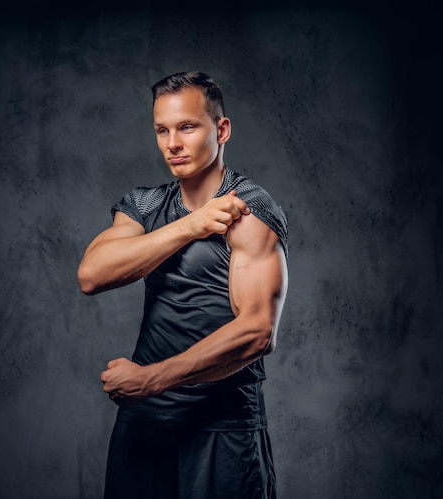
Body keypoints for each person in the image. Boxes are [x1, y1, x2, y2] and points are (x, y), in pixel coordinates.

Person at [77, 71, 288, 499]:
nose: (172, 144)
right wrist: (190, 226)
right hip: (145, 428)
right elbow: (91, 275)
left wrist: (152, 380)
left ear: (221, 129)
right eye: (162, 130)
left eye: (187, 127)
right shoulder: (146, 205)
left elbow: (257, 332)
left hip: (221, 426)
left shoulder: (249, 210)